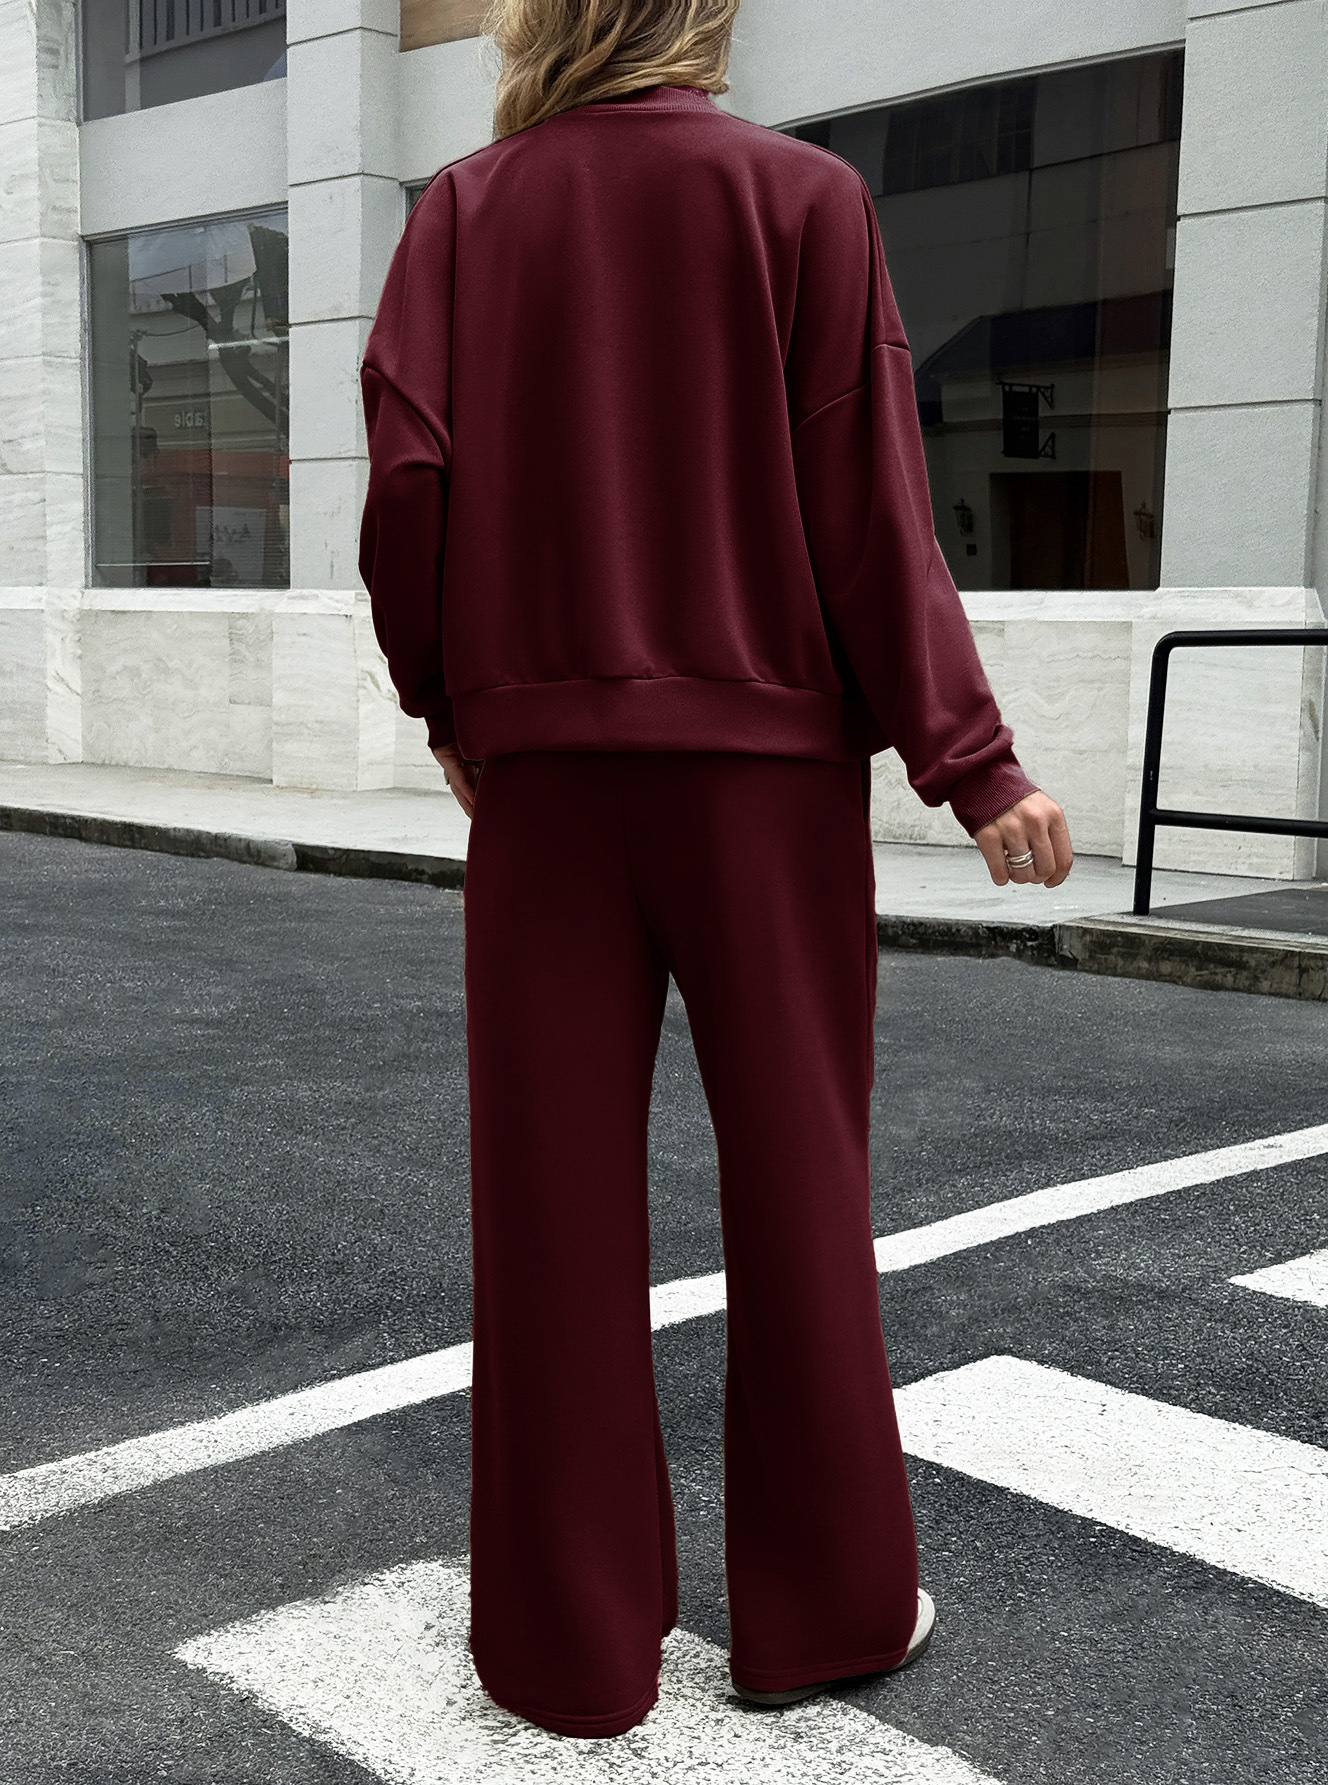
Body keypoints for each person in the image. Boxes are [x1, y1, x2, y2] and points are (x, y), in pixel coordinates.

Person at [358, 0, 1074, 1743]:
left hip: (546, 788)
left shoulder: (463, 211)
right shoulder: (803, 201)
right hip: (765, 786)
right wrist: (969, 760)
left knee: (550, 1213)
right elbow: (869, 506)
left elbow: (408, 482)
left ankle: (566, 1650)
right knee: (802, 1186)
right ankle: (823, 1612)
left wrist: (450, 697)